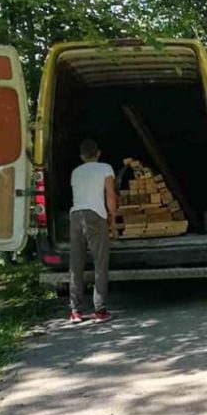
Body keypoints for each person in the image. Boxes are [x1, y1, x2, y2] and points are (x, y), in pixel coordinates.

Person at [69, 139, 117, 324]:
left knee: (76, 264)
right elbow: (110, 195)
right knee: (100, 262)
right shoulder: (105, 168)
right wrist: (112, 218)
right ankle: (100, 310)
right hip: (95, 215)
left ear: (82, 156)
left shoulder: (75, 172)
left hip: (75, 216)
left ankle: (75, 311)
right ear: (98, 153)